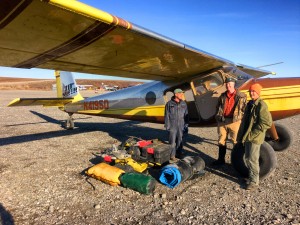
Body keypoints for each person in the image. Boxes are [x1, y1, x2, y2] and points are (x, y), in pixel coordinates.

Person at [237, 83, 272, 190]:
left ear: (258, 93)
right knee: (248, 158)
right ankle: (251, 177)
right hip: (248, 136)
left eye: (254, 91)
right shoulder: (250, 104)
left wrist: (253, 134)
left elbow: (267, 123)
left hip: (254, 137)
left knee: (253, 159)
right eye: (251, 91)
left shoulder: (261, 105)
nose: (252, 93)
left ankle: (254, 182)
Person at [213, 77, 247, 165]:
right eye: (227, 84)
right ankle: (221, 160)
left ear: (234, 84)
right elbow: (218, 107)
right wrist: (218, 115)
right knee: (221, 140)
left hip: (234, 122)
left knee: (235, 141)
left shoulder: (241, 96)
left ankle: (236, 162)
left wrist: (240, 118)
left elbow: (244, 109)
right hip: (222, 121)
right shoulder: (222, 95)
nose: (228, 85)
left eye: (230, 84)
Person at [164, 88, 189, 162]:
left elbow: (186, 115)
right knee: (172, 141)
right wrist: (167, 125)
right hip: (172, 125)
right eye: (180, 93)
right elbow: (166, 115)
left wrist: (186, 125)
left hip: (181, 125)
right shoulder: (169, 104)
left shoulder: (184, 103)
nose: (182, 95)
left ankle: (179, 153)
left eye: (182, 93)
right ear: (176, 94)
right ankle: (172, 155)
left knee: (180, 140)